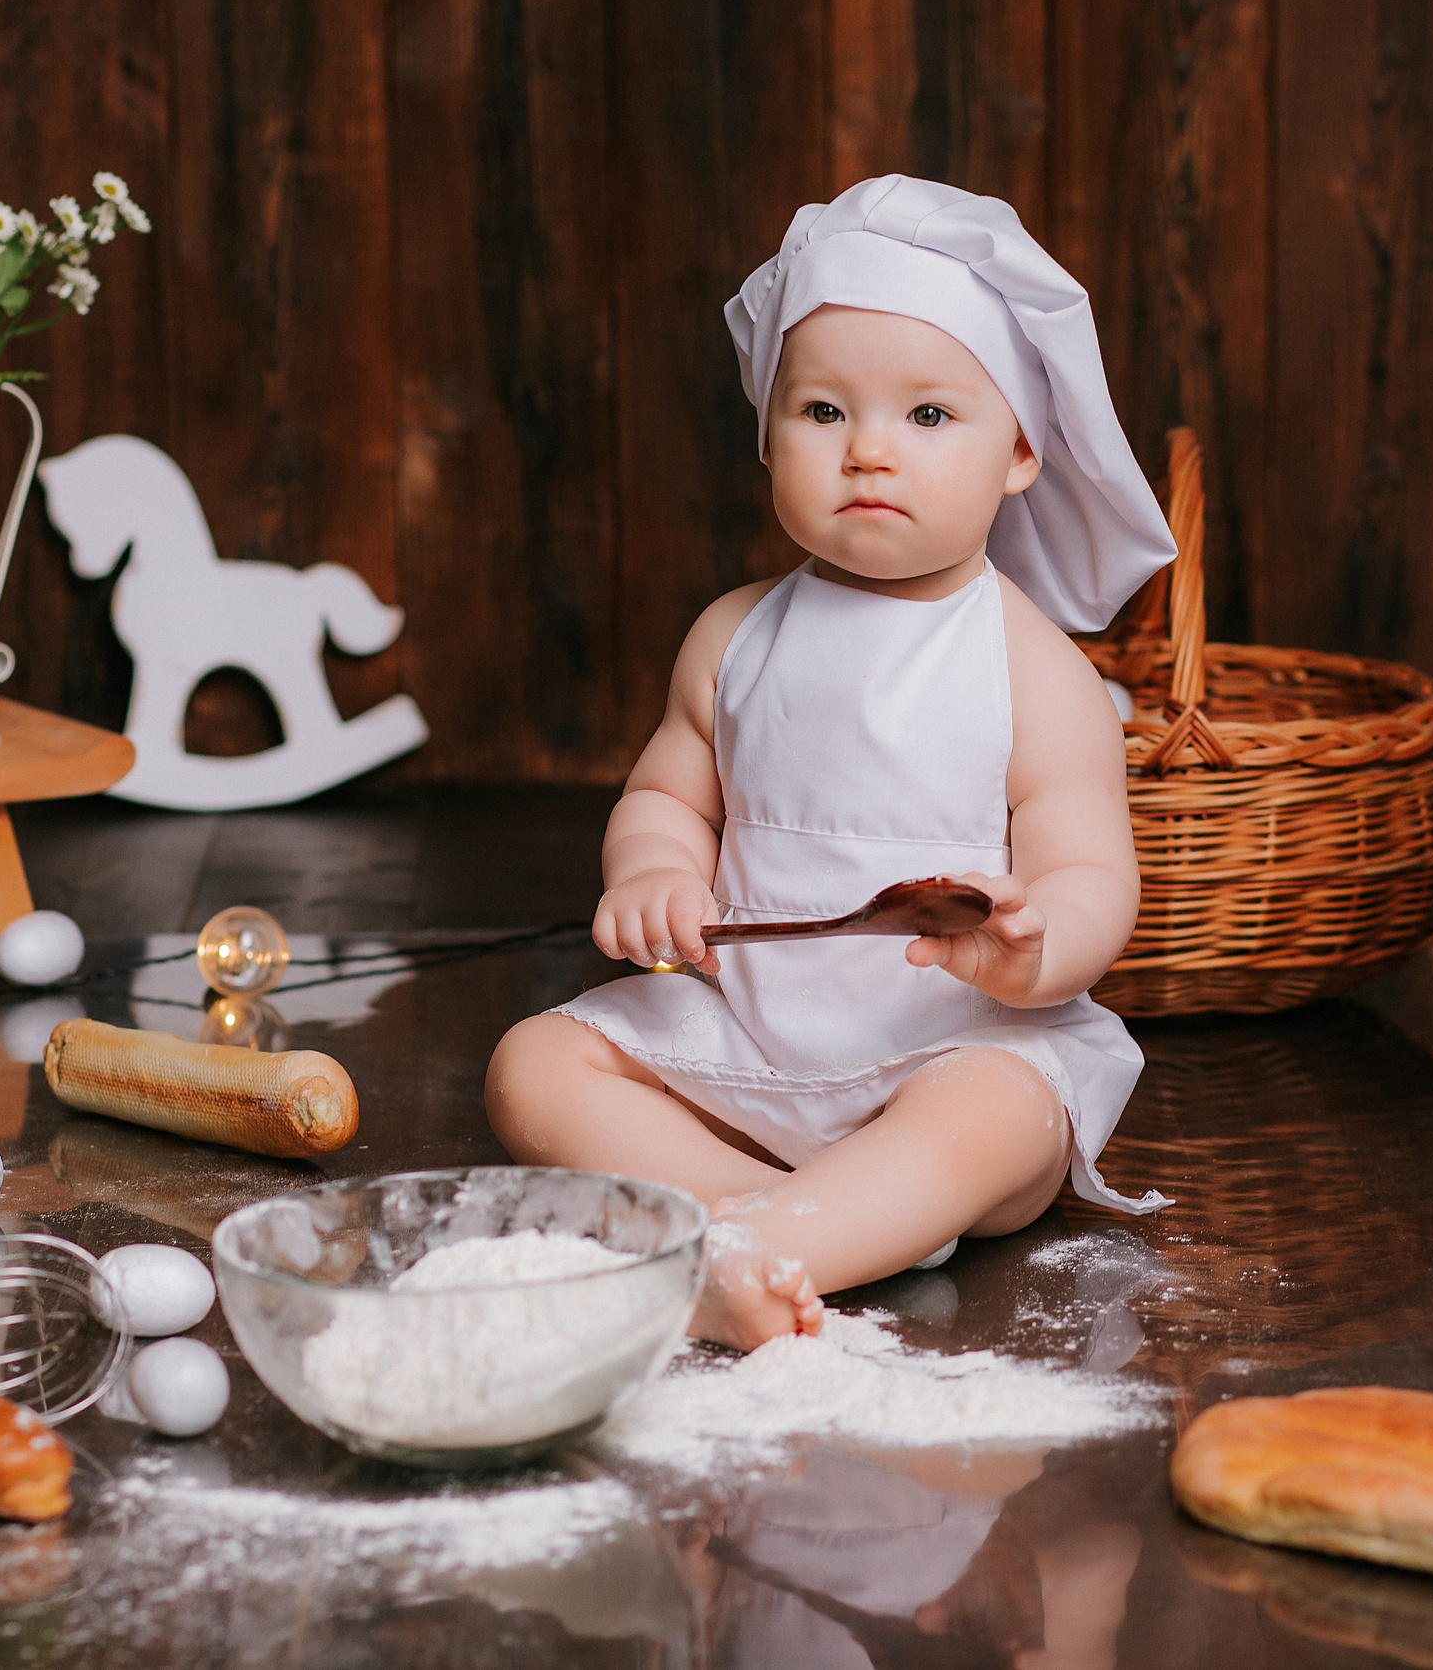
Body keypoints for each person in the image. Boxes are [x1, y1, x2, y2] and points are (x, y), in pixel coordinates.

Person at [485, 175, 1174, 1350]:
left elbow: (1092, 875)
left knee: (998, 1122)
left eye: (926, 417)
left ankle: (773, 1239)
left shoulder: (1036, 670)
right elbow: (665, 793)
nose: (867, 452)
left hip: (951, 1048)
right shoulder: (734, 635)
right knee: (532, 1065)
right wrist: (653, 871)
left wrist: (1034, 951)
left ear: (1018, 451)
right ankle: (753, 1226)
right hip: (748, 1048)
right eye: (821, 413)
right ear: (767, 435)